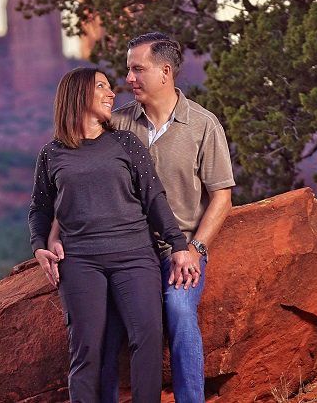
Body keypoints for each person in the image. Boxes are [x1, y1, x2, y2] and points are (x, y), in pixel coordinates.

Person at [47, 33, 235, 403]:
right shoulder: (115, 124)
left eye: (137, 69)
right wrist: (55, 234)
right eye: (128, 70)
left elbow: (222, 196)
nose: (128, 79)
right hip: (127, 248)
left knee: (180, 312)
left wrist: (194, 249)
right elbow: (71, 183)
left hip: (178, 248)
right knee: (106, 331)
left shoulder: (202, 125)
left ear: (165, 72)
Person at [29, 67, 200, 403]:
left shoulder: (125, 143)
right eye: (102, 87)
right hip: (80, 262)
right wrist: (39, 246)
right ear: (78, 96)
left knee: (148, 337)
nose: (112, 94)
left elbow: (153, 197)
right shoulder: (51, 154)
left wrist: (178, 245)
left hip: (135, 256)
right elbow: (40, 209)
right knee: (87, 347)